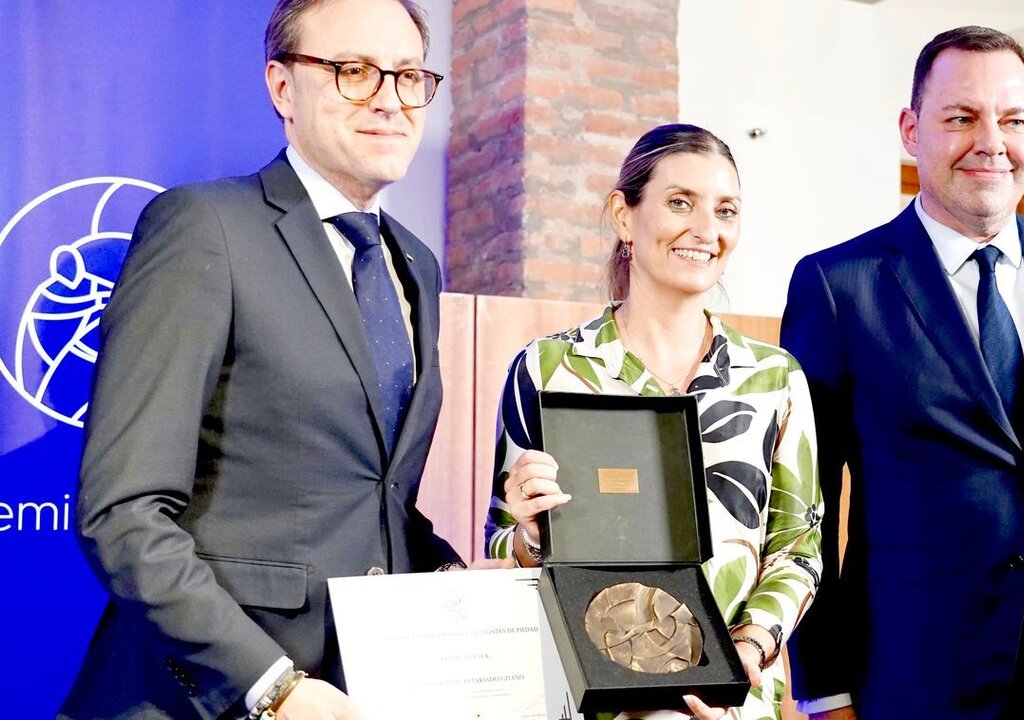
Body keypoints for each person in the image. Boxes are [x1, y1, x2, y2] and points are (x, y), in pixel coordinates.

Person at [59, 1, 462, 718]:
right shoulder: (206, 228)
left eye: (407, 75)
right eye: (354, 71)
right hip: (200, 699)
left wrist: (474, 579)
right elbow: (122, 511)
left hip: (357, 691)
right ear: (282, 87)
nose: (390, 101)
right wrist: (271, 686)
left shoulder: (417, 266)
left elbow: (372, 498)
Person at [782, 26, 1024, 720]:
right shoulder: (839, 287)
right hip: (914, 681)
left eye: (1013, 119)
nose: (992, 140)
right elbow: (806, 513)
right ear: (911, 129)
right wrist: (823, 692)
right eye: (961, 117)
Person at [483, 124, 823, 720]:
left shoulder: (775, 378)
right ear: (623, 215)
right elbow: (502, 541)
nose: (705, 231)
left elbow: (798, 548)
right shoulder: (548, 368)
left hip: (733, 704)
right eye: (679, 203)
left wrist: (745, 649)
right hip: (590, 703)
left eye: (725, 210)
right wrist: (531, 534)